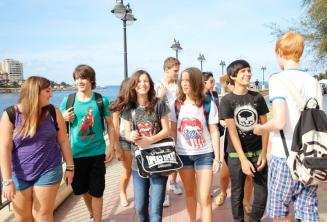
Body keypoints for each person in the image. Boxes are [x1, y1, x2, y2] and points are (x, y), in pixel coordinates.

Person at [253, 32, 322, 222]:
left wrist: (261, 128)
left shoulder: (278, 80)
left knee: (279, 212)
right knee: (307, 209)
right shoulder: (313, 82)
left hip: (285, 156)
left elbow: (280, 121)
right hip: (310, 156)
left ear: (280, 52)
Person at [0, 76, 74, 222]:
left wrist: (70, 167)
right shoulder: (11, 114)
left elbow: (64, 141)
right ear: (35, 92)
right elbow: (4, 147)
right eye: (47, 91)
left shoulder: (54, 112)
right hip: (19, 172)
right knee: (23, 218)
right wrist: (7, 181)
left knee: (42, 215)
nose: (51, 94)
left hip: (49, 169)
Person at [60, 64, 115, 222]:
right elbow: (60, 129)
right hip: (75, 153)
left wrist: (111, 146)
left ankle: (97, 219)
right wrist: (63, 118)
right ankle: (92, 214)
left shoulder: (100, 100)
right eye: (77, 78)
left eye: (83, 78)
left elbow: (110, 125)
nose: (80, 81)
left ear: (91, 80)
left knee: (97, 190)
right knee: (82, 189)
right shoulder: (68, 101)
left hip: (97, 152)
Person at [219, 60, 269, 222]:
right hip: (235, 155)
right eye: (242, 72)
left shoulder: (257, 98)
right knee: (237, 193)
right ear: (233, 76)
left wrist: (264, 153)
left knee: (262, 194)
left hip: (258, 153)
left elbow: (265, 126)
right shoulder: (227, 101)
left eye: (248, 70)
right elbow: (232, 131)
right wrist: (242, 159)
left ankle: (254, 220)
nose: (247, 74)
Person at [169, 67, 221, 222]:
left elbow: (214, 132)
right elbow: (172, 133)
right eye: (182, 80)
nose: (184, 84)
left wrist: (217, 158)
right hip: (183, 155)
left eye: (188, 80)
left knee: (204, 197)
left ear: (196, 82)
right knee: (190, 193)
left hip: (204, 155)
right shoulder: (175, 105)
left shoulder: (208, 104)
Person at [122, 70, 170, 222]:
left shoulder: (159, 104)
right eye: (139, 81)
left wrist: (150, 140)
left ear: (150, 84)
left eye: (146, 81)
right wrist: (131, 136)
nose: (143, 84)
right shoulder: (129, 108)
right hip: (139, 164)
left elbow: (167, 130)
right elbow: (127, 132)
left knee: (155, 212)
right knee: (140, 207)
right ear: (134, 85)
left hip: (158, 161)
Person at [215, 78, 254, 215]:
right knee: (225, 173)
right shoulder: (226, 101)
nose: (230, 86)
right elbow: (219, 119)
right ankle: (223, 192)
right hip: (230, 143)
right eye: (229, 84)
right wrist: (225, 123)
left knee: (249, 175)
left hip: (248, 142)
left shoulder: (250, 98)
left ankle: (247, 201)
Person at [155, 57, 183, 207]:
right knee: (164, 157)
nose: (177, 73)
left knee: (176, 154)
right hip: (163, 126)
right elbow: (150, 106)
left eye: (178, 70)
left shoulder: (178, 86)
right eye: (175, 71)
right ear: (166, 69)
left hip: (177, 124)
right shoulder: (157, 85)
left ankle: (173, 182)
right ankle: (163, 193)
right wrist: (160, 96)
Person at [110, 78, 133, 207]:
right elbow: (115, 127)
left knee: (143, 170)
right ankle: (122, 192)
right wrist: (116, 147)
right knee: (127, 171)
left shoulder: (139, 103)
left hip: (139, 140)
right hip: (125, 141)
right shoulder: (119, 105)